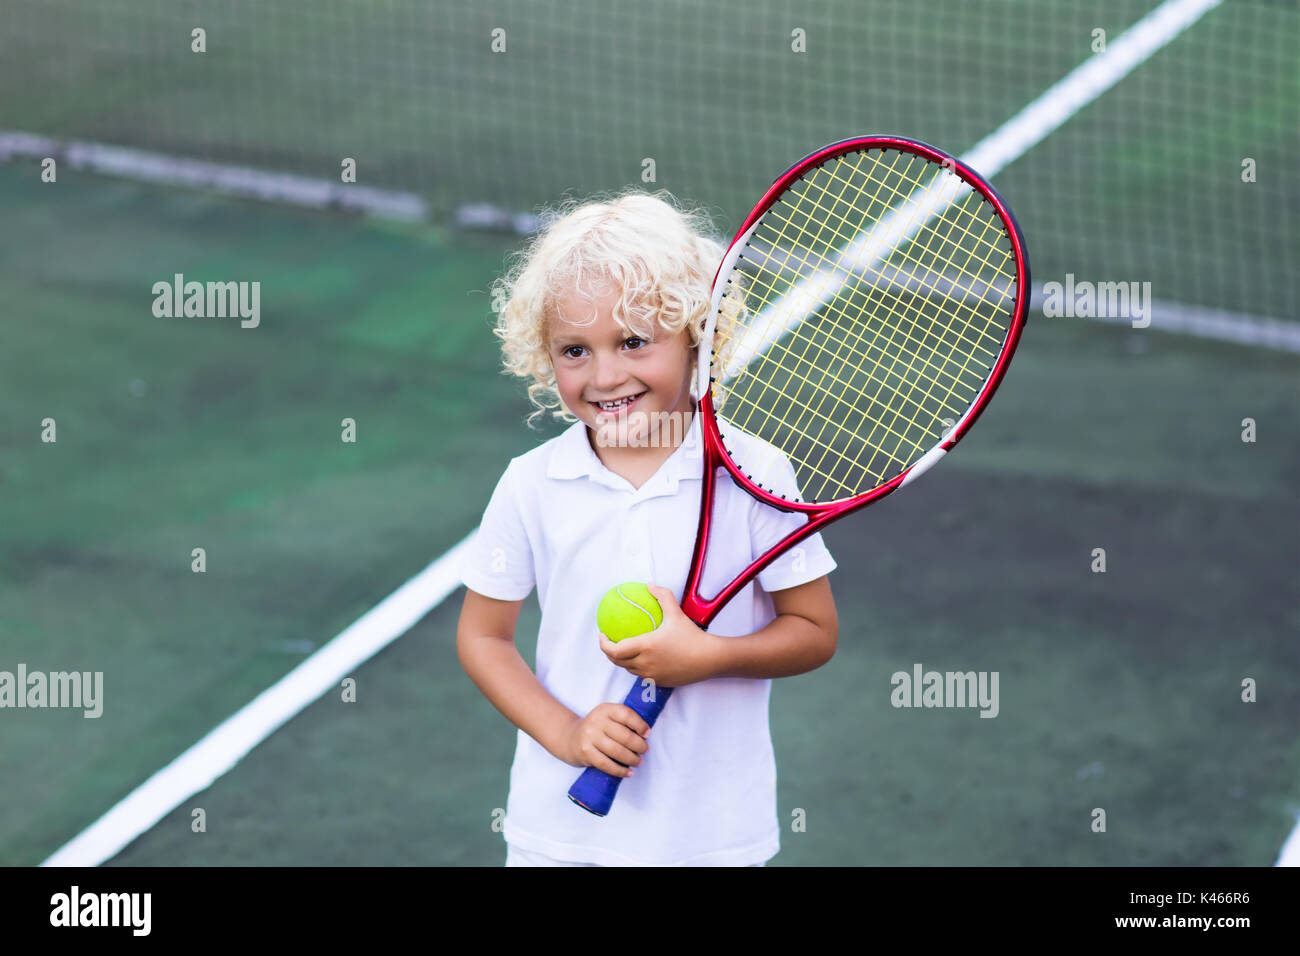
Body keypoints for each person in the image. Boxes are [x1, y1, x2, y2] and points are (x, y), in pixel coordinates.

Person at [457, 191, 838, 866]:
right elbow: (483, 637)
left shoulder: (755, 472)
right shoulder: (531, 482)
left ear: (697, 333)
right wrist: (570, 735)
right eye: (574, 350)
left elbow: (813, 633)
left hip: (709, 838)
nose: (605, 376)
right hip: (560, 834)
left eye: (634, 342)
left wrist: (709, 657)